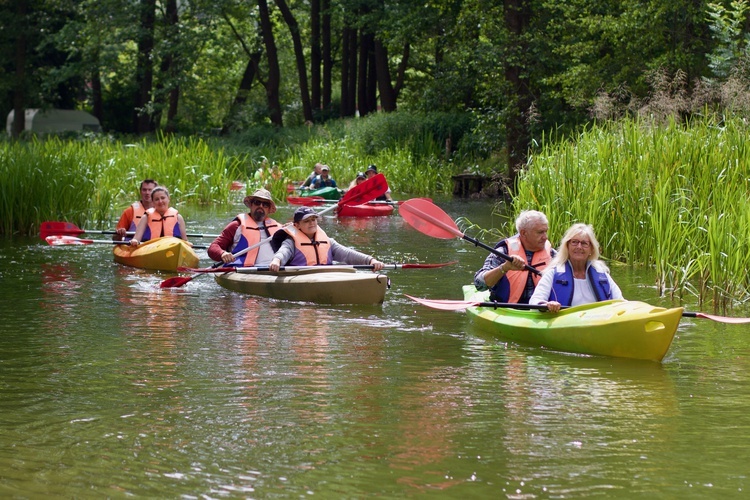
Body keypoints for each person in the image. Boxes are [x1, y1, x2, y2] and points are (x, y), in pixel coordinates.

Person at [529, 223, 623, 312]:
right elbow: (535, 302)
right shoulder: (553, 273)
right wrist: (546, 305)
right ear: (567, 246)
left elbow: (621, 302)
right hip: (564, 324)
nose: (579, 247)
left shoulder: (602, 274)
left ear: (591, 249)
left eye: (584, 243)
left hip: (597, 323)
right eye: (574, 242)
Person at [474, 210, 555, 304]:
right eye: (540, 232)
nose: (545, 237)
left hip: (543, 309)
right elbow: (479, 285)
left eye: (546, 231)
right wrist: (505, 267)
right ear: (524, 233)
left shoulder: (553, 255)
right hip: (507, 310)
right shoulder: (503, 252)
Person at [268, 206, 385, 272]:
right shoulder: (291, 242)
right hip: (300, 276)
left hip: (325, 276)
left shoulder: (328, 241)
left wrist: (371, 260)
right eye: (306, 221)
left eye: (313, 220)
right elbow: (283, 252)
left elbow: (347, 254)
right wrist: (276, 261)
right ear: (297, 225)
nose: (311, 223)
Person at [207, 188, 281, 266]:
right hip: (243, 271)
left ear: (269, 209)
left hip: (273, 269)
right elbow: (213, 247)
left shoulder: (279, 228)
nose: (261, 206)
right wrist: (222, 254)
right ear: (251, 205)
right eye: (257, 202)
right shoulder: (236, 226)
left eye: (265, 204)